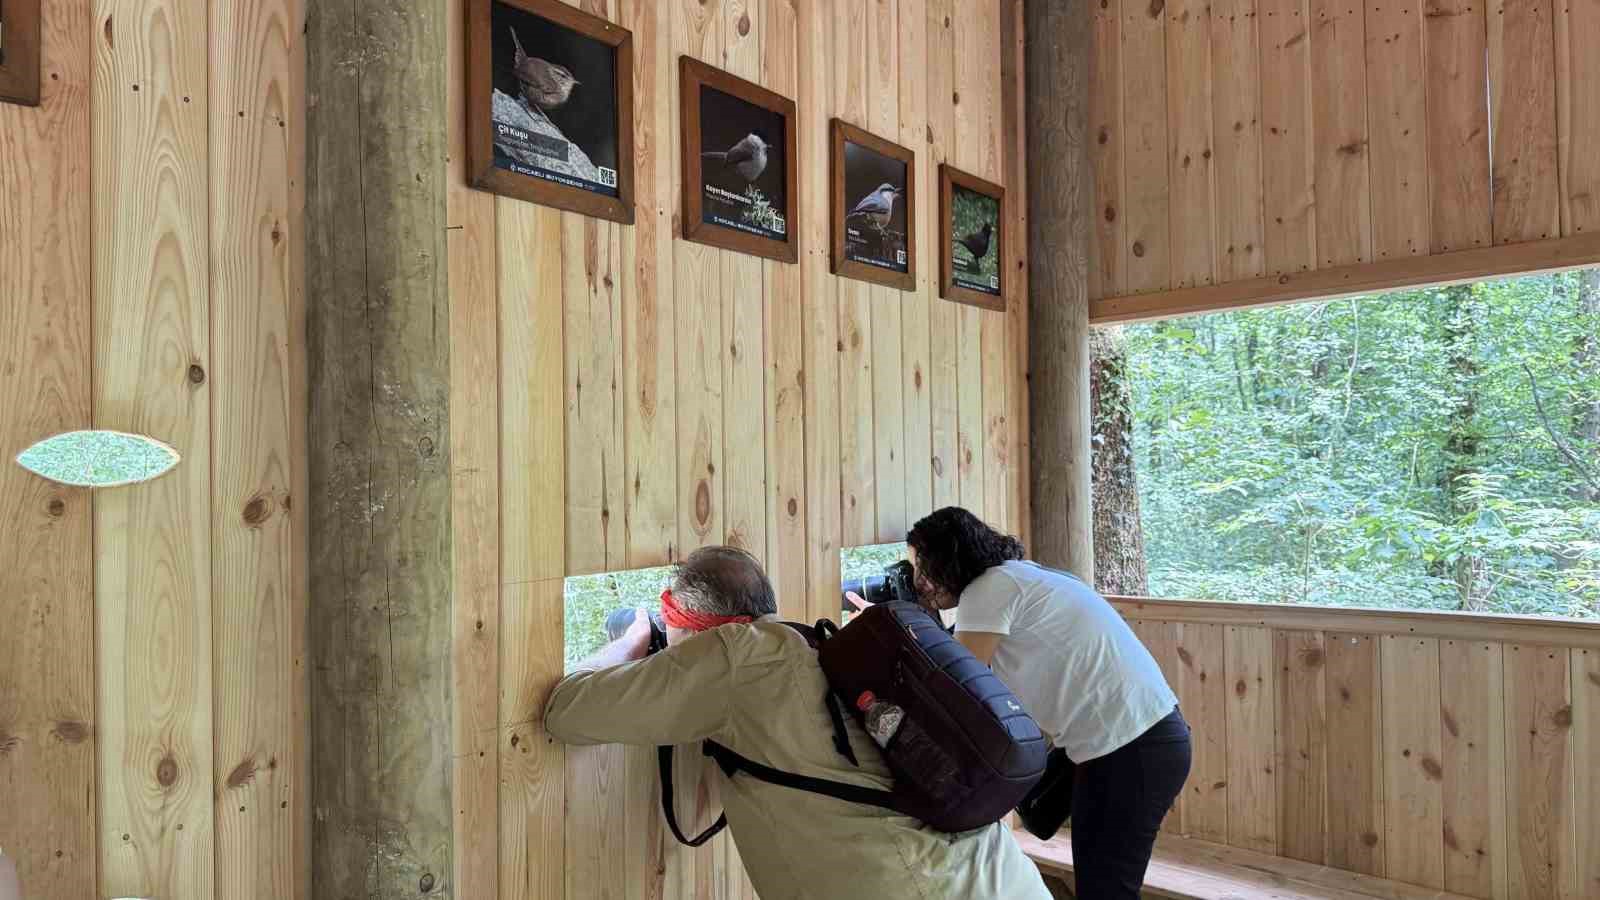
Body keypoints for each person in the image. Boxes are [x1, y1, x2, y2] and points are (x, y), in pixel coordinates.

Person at [544, 545, 1052, 900]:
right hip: (1002, 877)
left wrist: (632, 642)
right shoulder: (817, 644)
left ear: (696, 629)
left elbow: (566, 711)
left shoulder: (737, 659)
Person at [903, 507, 1192, 900]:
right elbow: (960, 652)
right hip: (1146, 738)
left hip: (1131, 750)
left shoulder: (987, 590)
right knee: (1087, 867)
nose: (922, 581)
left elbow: (957, 687)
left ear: (948, 561)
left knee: (1105, 892)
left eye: (924, 566)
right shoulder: (1020, 576)